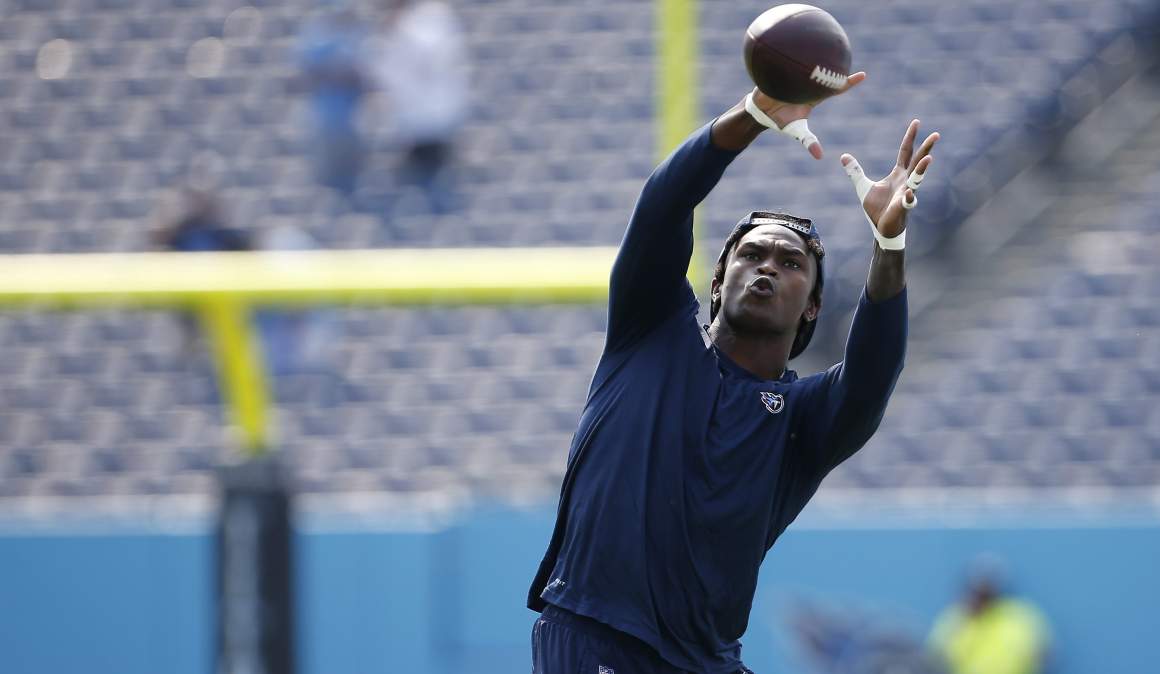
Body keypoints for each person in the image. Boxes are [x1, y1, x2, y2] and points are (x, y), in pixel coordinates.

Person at [527, 71, 941, 673]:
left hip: (705, 661)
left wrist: (888, 244)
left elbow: (873, 375)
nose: (767, 266)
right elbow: (664, 203)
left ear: (813, 306)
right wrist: (753, 113)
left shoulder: (803, 422)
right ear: (718, 281)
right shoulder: (651, 331)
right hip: (597, 637)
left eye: (791, 262)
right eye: (751, 253)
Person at [369, 0, 469, 213]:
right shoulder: (394, 33)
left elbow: (429, 58)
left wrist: (397, 30)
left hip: (434, 120)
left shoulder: (429, 18)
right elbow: (384, 74)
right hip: (412, 126)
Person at [296, 0, 369, 195]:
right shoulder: (316, 37)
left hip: (354, 121)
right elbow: (307, 74)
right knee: (326, 186)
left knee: (355, 183)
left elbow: (363, 73)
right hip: (324, 121)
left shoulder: (357, 36)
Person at [928, 560, 1051, 674]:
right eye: (977, 591)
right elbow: (936, 658)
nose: (980, 598)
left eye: (986, 592)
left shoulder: (1019, 615)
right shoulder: (955, 618)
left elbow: (1044, 654)